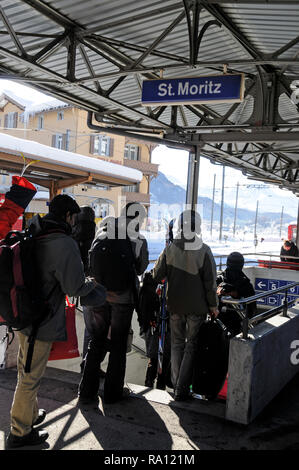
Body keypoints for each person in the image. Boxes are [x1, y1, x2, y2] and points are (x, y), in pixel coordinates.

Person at [6, 194, 99, 449]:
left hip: (25, 315)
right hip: (41, 320)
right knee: (30, 376)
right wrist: (92, 283)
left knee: (27, 370)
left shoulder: (35, 230)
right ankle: (19, 432)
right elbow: (74, 287)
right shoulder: (64, 243)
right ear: (69, 217)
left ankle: (30, 415)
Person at [78, 202, 149, 405]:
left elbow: (90, 261)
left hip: (97, 295)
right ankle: (112, 393)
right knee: (118, 346)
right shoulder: (138, 239)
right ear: (139, 219)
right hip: (122, 298)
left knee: (96, 341)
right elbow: (140, 269)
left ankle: (86, 393)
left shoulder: (103, 230)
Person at [152, 209, 218, 401]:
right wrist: (213, 306)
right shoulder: (204, 250)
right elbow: (210, 283)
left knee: (177, 344)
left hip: (174, 305)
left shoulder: (170, 248)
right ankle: (182, 388)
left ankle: (175, 386)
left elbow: (157, 275)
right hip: (197, 308)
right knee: (191, 346)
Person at [71, 205, 105, 375]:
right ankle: (91, 366)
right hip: (95, 287)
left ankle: (87, 365)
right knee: (95, 331)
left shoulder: (72, 236)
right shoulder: (95, 236)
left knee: (88, 329)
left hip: (81, 286)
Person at [217, 252, 256, 337]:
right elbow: (252, 307)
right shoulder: (246, 284)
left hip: (218, 321)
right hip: (238, 324)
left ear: (227, 263)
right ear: (241, 265)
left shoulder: (219, 280)